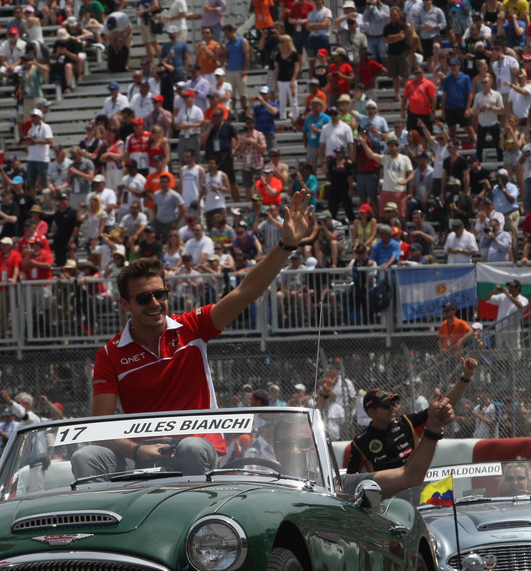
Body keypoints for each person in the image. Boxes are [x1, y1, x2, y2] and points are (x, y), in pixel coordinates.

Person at [74, 191, 314, 478]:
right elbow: (100, 426)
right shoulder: (110, 353)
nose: (154, 303)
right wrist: (138, 451)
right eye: (142, 299)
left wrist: (286, 245)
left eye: (160, 294)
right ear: (124, 304)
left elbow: (246, 291)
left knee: (189, 448)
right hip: (143, 452)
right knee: (84, 457)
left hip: (197, 444)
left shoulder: (192, 326)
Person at [344, 358, 479, 472]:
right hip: (386, 499)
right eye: (386, 406)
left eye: (393, 403)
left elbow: (441, 406)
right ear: (371, 412)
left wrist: (465, 377)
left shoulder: (407, 423)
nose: (392, 408)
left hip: (416, 491)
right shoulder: (360, 442)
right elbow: (351, 481)